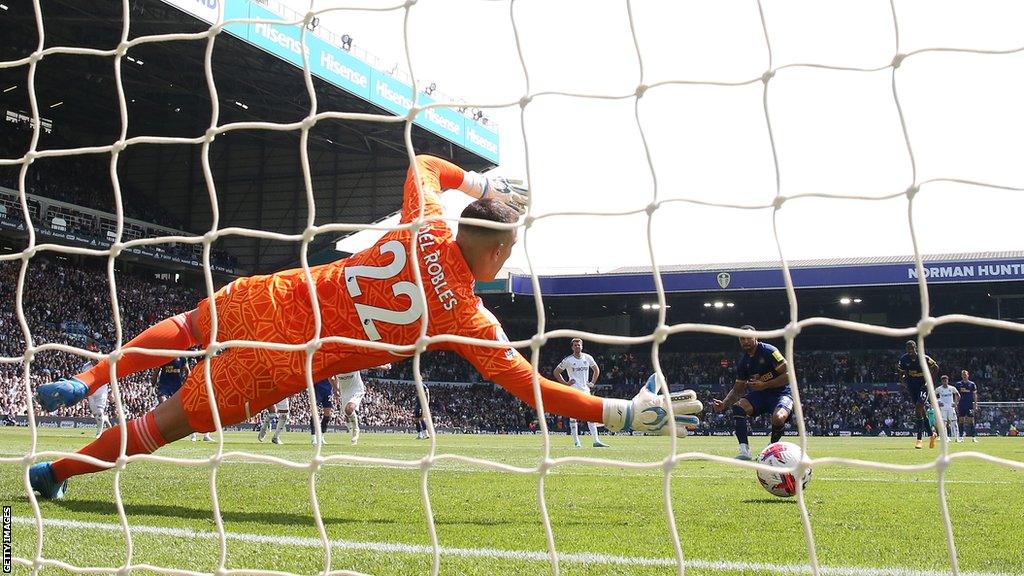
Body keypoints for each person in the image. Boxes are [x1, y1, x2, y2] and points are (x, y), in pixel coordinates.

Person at [29, 155, 701, 500]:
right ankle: (55, 470)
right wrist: (617, 411)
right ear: (496, 251)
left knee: (186, 324)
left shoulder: (428, 221)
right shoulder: (464, 315)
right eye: (513, 246)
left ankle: (88, 375)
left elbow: (422, 167)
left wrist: (479, 181)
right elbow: (532, 388)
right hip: (285, 363)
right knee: (164, 424)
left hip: (282, 294)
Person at [711, 325, 793, 461]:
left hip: (782, 393)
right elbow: (738, 389)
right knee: (738, 407)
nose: (746, 341)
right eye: (742, 339)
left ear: (756, 337)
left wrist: (765, 384)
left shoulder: (769, 351)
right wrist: (724, 404)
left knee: (778, 418)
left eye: (748, 338)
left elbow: (789, 374)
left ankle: (770, 449)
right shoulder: (744, 362)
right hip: (761, 395)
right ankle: (744, 452)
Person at [553, 338, 607, 448]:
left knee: (590, 415)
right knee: (573, 416)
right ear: (572, 347)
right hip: (573, 390)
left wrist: (592, 382)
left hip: (585, 390)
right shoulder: (568, 360)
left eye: (579, 345)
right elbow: (556, 372)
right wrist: (565, 383)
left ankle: (596, 441)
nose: (577, 346)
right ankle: (576, 442)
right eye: (575, 345)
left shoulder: (588, 358)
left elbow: (596, 369)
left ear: (582, 346)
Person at [153, 356, 210, 442]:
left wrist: (190, 382)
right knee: (163, 403)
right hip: (164, 386)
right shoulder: (164, 356)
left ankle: (192, 434)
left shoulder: (182, 358)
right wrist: (153, 383)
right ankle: (163, 427)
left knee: (184, 410)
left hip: (176, 387)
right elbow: (156, 371)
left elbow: (187, 370)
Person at [332, 363, 390, 446]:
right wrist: (335, 388)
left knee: (349, 409)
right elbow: (331, 376)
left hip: (356, 389)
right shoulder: (335, 365)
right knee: (347, 415)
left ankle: (356, 430)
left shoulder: (353, 363)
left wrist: (383, 367)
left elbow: (368, 365)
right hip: (344, 392)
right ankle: (351, 430)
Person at [897, 340, 939, 449]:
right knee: (921, 412)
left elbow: (936, 367)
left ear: (915, 348)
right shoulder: (903, 359)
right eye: (908, 349)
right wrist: (903, 382)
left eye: (912, 348)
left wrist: (930, 382)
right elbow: (901, 372)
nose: (910, 350)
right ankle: (932, 435)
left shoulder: (924, 358)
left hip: (923, 385)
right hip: (912, 386)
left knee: (919, 407)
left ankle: (919, 439)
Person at [81, 360, 110, 438]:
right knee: (96, 414)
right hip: (91, 391)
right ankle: (105, 418)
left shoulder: (105, 364)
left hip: (101, 390)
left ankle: (99, 432)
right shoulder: (86, 367)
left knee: (100, 411)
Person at [936, 375, 960, 443]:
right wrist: (937, 403)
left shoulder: (952, 388)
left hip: (951, 408)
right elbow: (932, 395)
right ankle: (946, 438)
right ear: (941, 381)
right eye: (943, 381)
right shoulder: (939, 389)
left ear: (948, 381)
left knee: (954, 422)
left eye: (946, 380)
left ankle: (957, 438)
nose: (945, 382)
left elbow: (958, 395)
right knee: (943, 423)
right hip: (943, 408)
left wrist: (955, 403)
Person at [956, 369, 979, 443]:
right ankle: (961, 437)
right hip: (961, 404)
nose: (964, 376)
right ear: (961, 376)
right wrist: (956, 404)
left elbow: (975, 395)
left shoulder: (972, 384)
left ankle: (973, 437)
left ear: (968, 375)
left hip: (969, 404)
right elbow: (956, 395)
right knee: (961, 420)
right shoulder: (958, 384)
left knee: (971, 421)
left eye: (965, 374)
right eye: (963, 374)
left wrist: (975, 404)